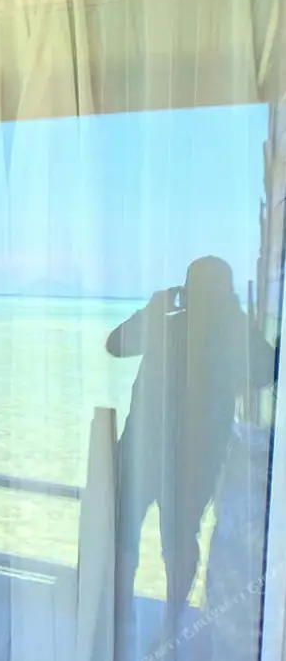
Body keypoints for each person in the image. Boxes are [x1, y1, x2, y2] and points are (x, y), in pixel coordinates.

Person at [107, 256, 275, 658]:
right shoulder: (172, 327)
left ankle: (165, 621)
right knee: (143, 536)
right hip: (151, 452)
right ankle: (140, 615)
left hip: (185, 459)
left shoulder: (224, 336)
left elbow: (268, 369)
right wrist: (154, 311)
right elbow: (115, 345)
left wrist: (232, 320)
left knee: (173, 541)